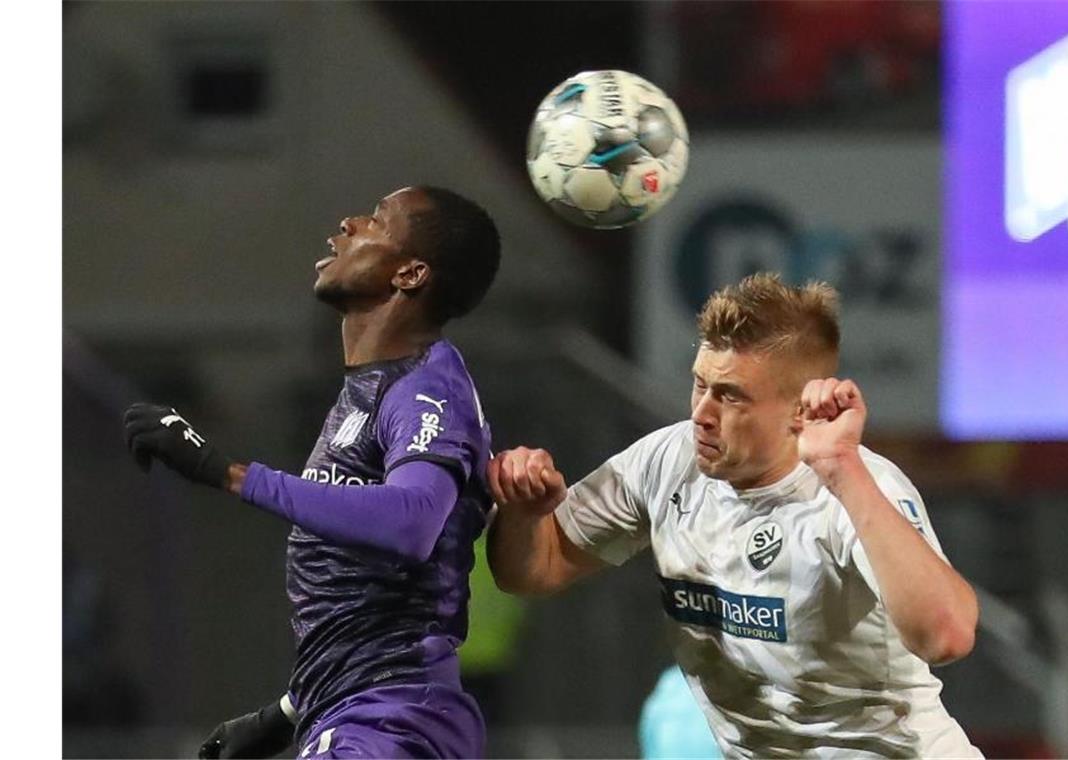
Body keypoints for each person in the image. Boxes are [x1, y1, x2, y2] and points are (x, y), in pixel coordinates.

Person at [487, 273, 982, 758]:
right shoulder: (666, 461)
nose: (701, 411)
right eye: (699, 384)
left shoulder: (855, 488)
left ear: (797, 412)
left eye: (730, 395)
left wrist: (842, 470)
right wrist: (523, 514)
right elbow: (534, 568)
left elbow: (947, 635)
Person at [123, 186, 501, 759]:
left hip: (394, 720)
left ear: (411, 274)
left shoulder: (426, 388)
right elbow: (368, 603)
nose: (345, 225)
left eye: (375, 221)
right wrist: (284, 714)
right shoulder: (370, 389)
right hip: (356, 709)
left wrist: (227, 472)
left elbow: (414, 520)